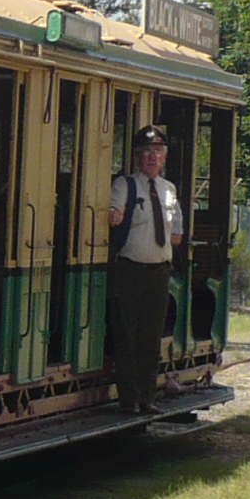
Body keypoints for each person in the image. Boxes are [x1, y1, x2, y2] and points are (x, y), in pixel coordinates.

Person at [108, 124, 181, 414]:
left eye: (158, 152)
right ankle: (129, 399)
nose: (152, 157)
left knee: (151, 338)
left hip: (159, 272)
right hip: (130, 270)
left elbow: (176, 230)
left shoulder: (168, 190)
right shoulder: (125, 185)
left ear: (164, 157)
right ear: (138, 156)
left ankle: (147, 397)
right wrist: (115, 216)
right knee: (126, 335)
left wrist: (175, 233)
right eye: (147, 152)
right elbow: (113, 216)